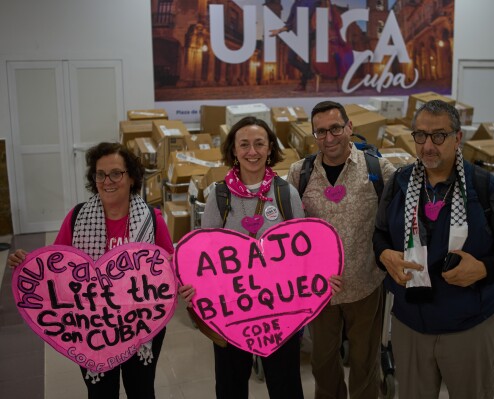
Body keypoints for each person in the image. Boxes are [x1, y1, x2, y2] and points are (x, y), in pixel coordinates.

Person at [178, 116, 342, 399]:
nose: (251, 151)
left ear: (269, 149)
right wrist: (193, 288)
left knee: (286, 386)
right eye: (244, 144)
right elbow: (204, 256)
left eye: (259, 144)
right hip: (231, 311)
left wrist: (323, 279)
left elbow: (302, 252)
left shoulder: (285, 193)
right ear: (233, 150)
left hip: (280, 311)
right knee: (230, 387)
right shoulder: (218, 196)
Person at [373, 100, 494, 399]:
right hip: (411, 323)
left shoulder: (486, 189)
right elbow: (380, 234)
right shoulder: (399, 184)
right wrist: (384, 254)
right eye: (421, 135)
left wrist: (483, 269)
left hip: (470, 326)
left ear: (457, 138)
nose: (428, 145)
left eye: (439, 136)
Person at [7, 142, 175, 399]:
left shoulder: (152, 220)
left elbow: (170, 268)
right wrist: (28, 264)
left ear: (131, 178)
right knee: (101, 392)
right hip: (91, 327)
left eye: (116, 173)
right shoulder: (77, 218)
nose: (107, 181)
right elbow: (55, 269)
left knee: (141, 389)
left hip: (140, 325)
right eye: (100, 174)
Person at [286, 101, 396, 398]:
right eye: (320, 132)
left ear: (350, 127)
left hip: (366, 284)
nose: (329, 137)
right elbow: (288, 232)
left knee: (365, 362)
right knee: (322, 362)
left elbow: (398, 220)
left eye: (335, 128)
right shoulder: (299, 174)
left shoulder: (378, 169)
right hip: (319, 290)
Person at [269, 0, 318, 92]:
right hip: (295, 34)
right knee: (291, 58)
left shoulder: (314, 1)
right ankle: (309, 73)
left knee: (305, 61)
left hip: (307, 33)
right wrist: (279, 30)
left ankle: (302, 85)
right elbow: (289, 23)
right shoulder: (295, 4)